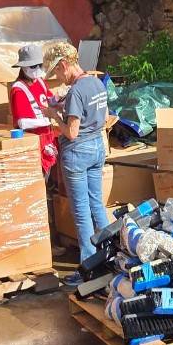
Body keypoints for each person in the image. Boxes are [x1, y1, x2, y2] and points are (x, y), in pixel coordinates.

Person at [45, 41, 109, 280]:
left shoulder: (75, 92)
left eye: (57, 72)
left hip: (78, 152)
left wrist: (54, 115)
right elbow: (103, 117)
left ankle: (88, 268)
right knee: (97, 205)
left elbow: (71, 132)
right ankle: (111, 256)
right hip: (97, 147)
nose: (58, 78)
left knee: (81, 211)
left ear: (64, 65)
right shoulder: (97, 83)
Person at [8, 43, 58, 177]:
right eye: (33, 66)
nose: (37, 69)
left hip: (47, 139)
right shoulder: (18, 89)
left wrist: (61, 99)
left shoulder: (40, 81)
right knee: (39, 180)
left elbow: (49, 99)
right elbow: (22, 123)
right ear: (23, 67)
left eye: (40, 65)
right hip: (33, 143)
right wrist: (47, 121)